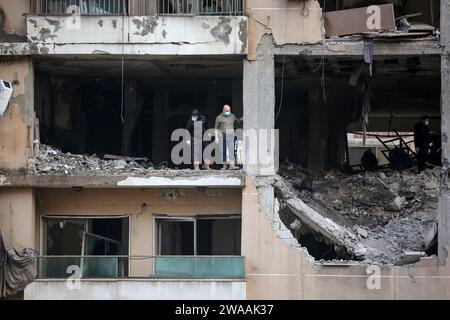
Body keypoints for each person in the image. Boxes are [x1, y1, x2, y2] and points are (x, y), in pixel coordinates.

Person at [214, 105, 241, 170]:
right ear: (223, 110)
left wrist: (243, 118)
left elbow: (238, 121)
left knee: (231, 150)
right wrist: (216, 137)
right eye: (226, 111)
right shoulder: (219, 117)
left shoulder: (232, 116)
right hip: (221, 136)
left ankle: (232, 165)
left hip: (230, 135)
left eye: (229, 110)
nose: (228, 112)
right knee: (223, 151)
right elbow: (216, 128)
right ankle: (224, 166)